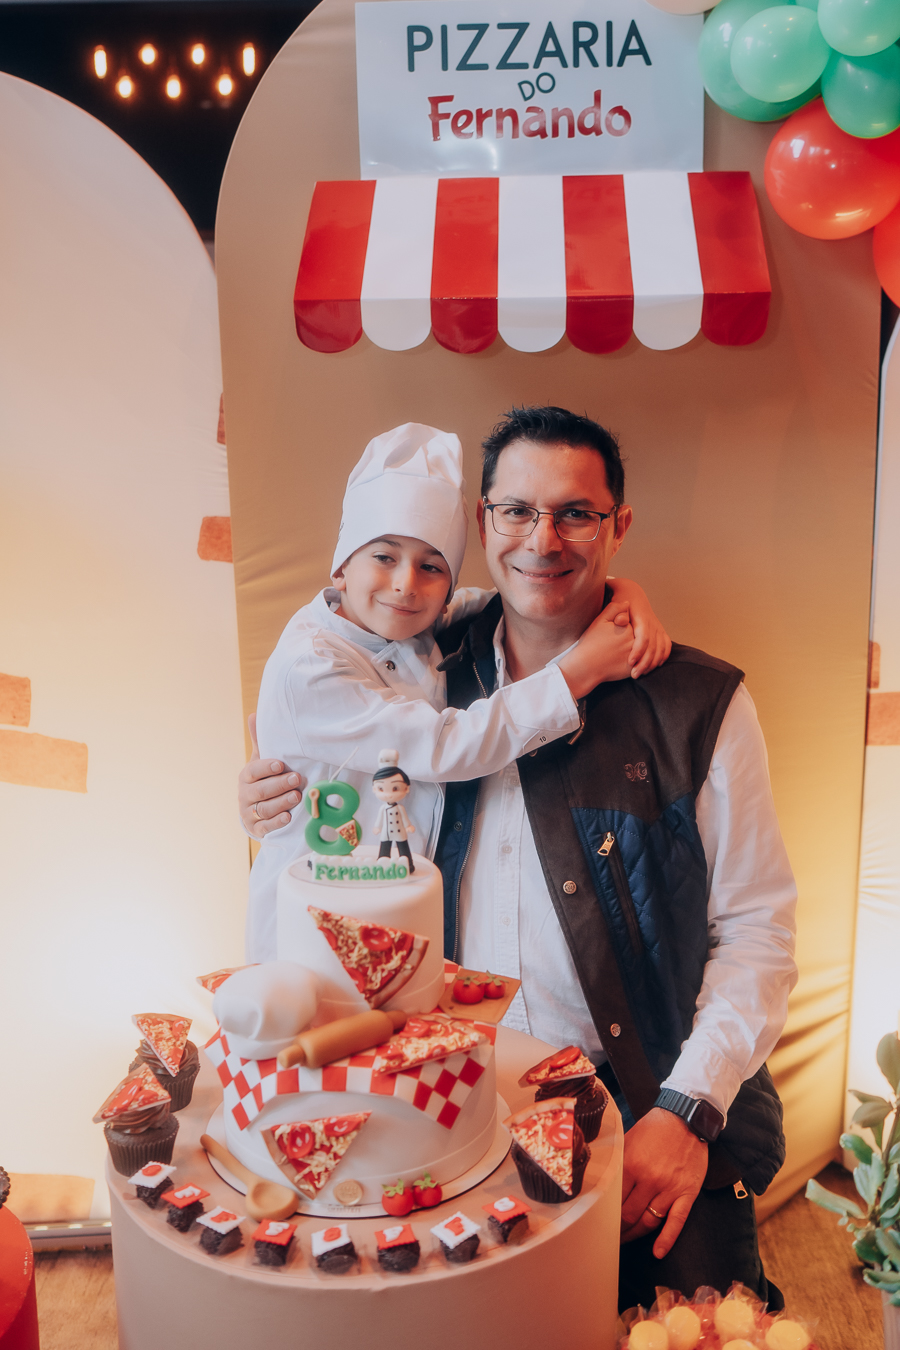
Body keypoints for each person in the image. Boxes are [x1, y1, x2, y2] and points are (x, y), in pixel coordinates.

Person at [240, 405, 797, 1310]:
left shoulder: (699, 705)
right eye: (517, 512)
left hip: (645, 1090)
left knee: (701, 1322)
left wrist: (687, 1110)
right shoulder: (420, 661)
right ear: (484, 523)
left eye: (576, 514)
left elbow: (759, 934)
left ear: (618, 525)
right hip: (452, 1099)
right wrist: (269, 798)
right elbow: (345, 773)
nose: (543, 540)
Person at [244, 420, 671, 962]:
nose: (406, 584)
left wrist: (623, 591)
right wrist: (576, 673)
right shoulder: (309, 664)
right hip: (310, 928)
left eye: (430, 567)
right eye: (383, 557)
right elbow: (445, 746)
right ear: (341, 565)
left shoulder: (416, 626)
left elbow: (521, 595)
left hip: (400, 924)